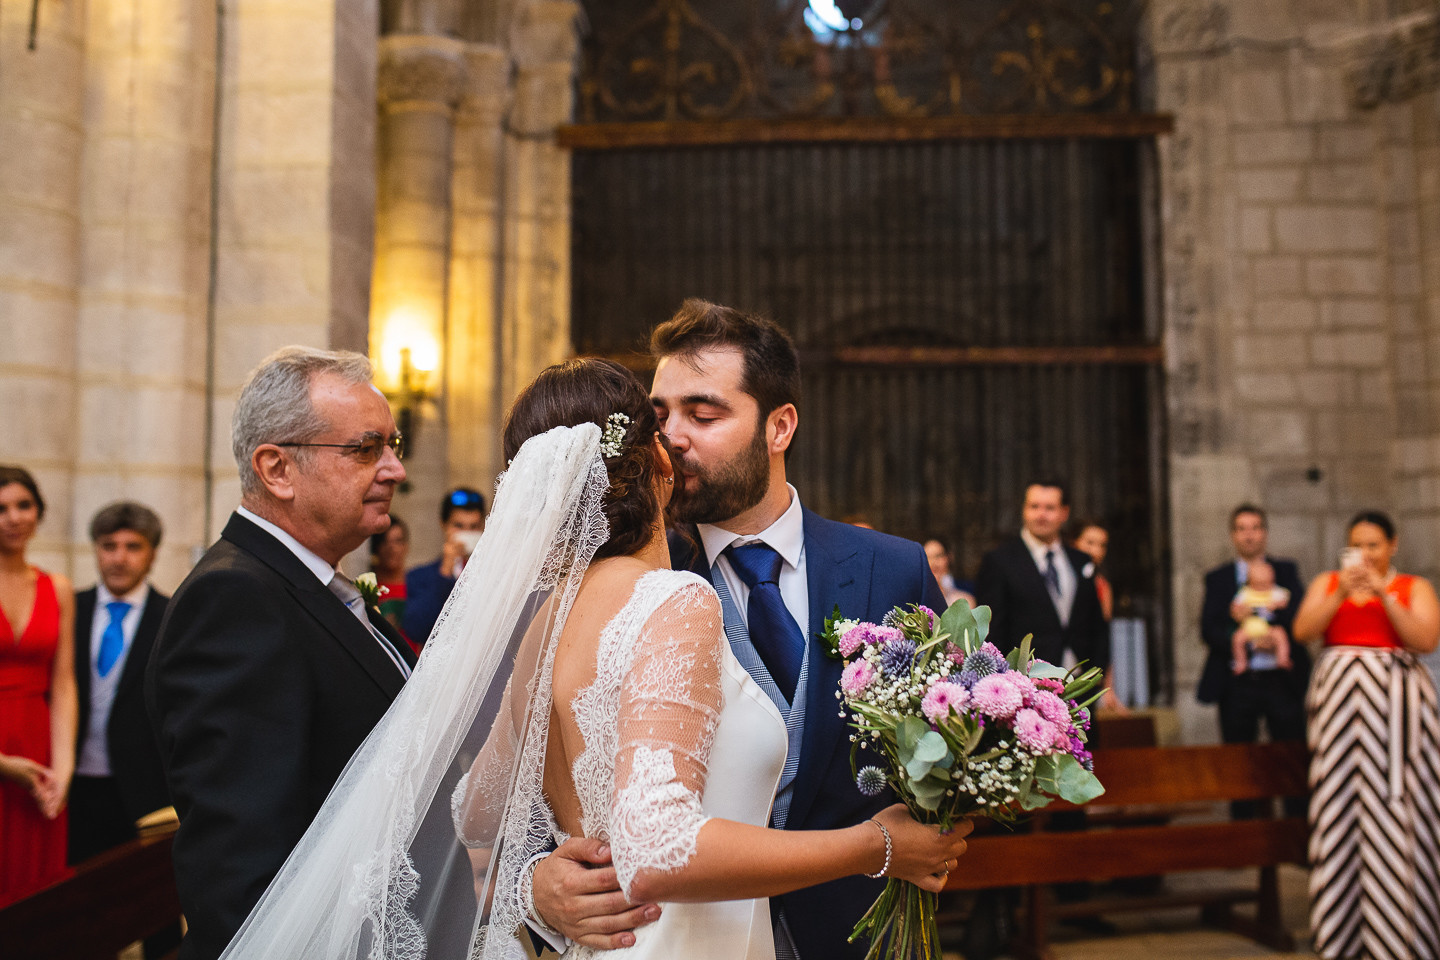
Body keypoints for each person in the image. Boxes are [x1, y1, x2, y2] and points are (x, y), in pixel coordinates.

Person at [208, 356, 970, 960]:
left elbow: (476, 808)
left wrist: (543, 872)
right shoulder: (672, 598)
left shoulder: (547, 623)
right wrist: (876, 846)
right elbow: (659, 847)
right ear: (656, 463)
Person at [531, 300, 951, 959]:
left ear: (779, 426)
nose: (673, 437)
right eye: (659, 417)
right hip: (681, 933)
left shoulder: (891, 569)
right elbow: (532, 773)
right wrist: (537, 880)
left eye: (703, 415)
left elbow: (953, 745)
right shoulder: (628, 587)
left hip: (858, 934)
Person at [147, 346, 415, 960]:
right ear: (277, 470)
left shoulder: (312, 587)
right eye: (366, 449)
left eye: (393, 445)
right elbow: (240, 867)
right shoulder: (235, 600)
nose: (395, 469)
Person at [1293, 510, 1440, 960]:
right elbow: (1303, 631)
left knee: (1397, 814)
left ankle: (1401, 934)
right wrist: (1341, 593)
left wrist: (1383, 594)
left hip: (1395, 722)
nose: (1365, 554)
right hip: (1339, 722)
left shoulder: (1413, 587)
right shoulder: (1328, 583)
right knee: (1338, 814)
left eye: (1373, 545)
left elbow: (1425, 640)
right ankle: (1341, 936)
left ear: (1392, 545)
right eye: (1356, 545)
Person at [69, 501, 179, 958]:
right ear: (95, 550)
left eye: (133, 546)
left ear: (152, 553)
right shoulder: (70, 610)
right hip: (76, 788)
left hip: (147, 790)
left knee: (156, 909)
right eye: (108, 545)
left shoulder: (172, 615)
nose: (119, 557)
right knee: (79, 912)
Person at [0, 465, 77, 907]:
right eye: (1, 508)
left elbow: (63, 685)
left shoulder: (58, 588)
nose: (14, 517)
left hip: (38, 751)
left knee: (35, 899)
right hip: (5, 756)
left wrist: (62, 770)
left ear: (39, 512)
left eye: (24, 505)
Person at [1196, 505, 1308, 799]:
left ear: (1265, 533)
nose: (1249, 535)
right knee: (1239, 763)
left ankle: (1294, 820)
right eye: (1242, 529)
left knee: (1290, 757)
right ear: (1233, 535)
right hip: (1238, 682)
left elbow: (1301, 617)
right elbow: (1208, 629)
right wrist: (1240, 633)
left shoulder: (1285, 571)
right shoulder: (1219, 578)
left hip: (1281, 680)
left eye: (1255, 528)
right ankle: (1243, 819)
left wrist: (1274, 634)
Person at [402, 488, 486, 644]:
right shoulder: (418, 577)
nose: (466, 533)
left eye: (474, 527)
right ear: (443, 525)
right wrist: (445, 572)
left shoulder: (491, 575)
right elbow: (417, 630)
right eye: (459, 526)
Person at [1229, 560, 1292, 675]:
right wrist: (1240, 611)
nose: (1263, 588)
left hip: (1267, 627)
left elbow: (1285, 600)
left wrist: (1275, 605)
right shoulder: (1246, 593)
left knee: (1280, 635)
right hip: (1249, 627)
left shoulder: (1274, 591)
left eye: (1266, 584)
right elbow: (1235, 607)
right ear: (1250, 582)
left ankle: (1283, 658)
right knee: (1237, 639)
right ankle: (1241, 662)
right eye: (1258, 584)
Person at [368, 516, 410, 644]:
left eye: (398, 541)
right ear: (376, 547)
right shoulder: (366, 589)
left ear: (406, 546)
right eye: (384, 541)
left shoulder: (415, 585)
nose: (391, 548)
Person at [1067, 520, 1112, 621]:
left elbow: (1103, 623)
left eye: (1102, 545)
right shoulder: (1060, 575)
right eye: (1090, 543)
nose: (1097, 551)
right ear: (1073, 543)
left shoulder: (1101, 585)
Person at [924, 538, 975, 609]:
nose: (932, 563)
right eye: (927, 557)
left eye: (938, 556)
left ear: (949, 558)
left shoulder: (964, 600)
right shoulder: (915, 599)